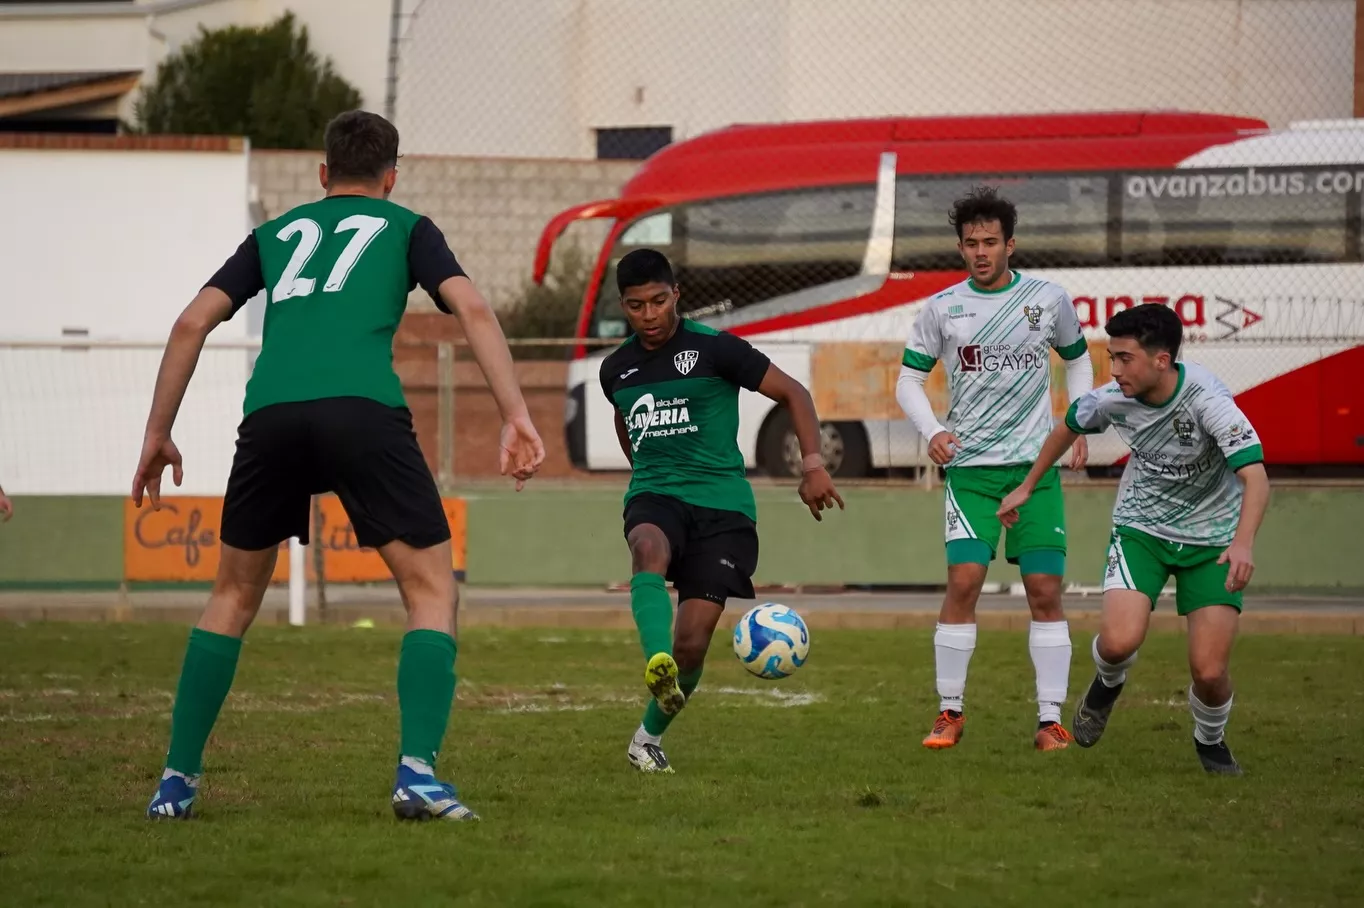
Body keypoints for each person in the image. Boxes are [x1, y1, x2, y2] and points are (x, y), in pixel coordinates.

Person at [134, 110, 545, 821]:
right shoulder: (407, 227)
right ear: (391, 177)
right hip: (362, 410)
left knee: (231, 596)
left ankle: (176, 780)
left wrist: (157, 431)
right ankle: (417, 773)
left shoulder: (274, 235)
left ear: (323, 175)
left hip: (271, 415)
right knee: (430, 590)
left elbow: (190, 323)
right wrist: (514, 412)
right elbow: (472, 309)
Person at [997, 303, 1269, 775]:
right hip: (1141, 529)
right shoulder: (1109, 399)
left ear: (1161, 360)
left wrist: (1243, 542)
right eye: (1111, 357)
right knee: (1119, 642)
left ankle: (1210, 741)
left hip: (1213, 541)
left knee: (1208, 671)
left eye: (1124, 358)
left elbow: (1257, 478)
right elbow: (1065, 427)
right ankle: (1106, 683)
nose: (1114, 369)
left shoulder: (1208, 401)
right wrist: (1026, 484)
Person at [599, 248, 843, 774]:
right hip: (656, 495)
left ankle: (646, 738)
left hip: (723, 509)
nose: (650, 315)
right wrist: (645, 470)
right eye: (637, 306)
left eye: (659, 302)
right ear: (624, 305)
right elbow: (626, 420)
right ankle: (653, 661)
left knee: (691, 644)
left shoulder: (716, 349)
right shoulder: (615, 368)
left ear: (676, 296)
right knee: (647, 546)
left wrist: (813, 465)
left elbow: (793, 392)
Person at [895, 185, 1094, 751]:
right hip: (971, 471)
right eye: (970, 243)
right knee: (964, 581)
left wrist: (1075, 425)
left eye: (990, 242)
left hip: (1035, 471)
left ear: (1012, 243)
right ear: (959, 248)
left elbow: (1078, 362)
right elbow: (908, 379)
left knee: (1045, 589)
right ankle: (949, 712)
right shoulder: (942, 308)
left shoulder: (1048, 300)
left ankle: (1050, 720)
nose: (980, 252)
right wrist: (933, 431)